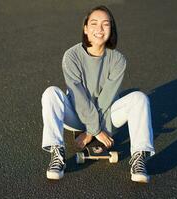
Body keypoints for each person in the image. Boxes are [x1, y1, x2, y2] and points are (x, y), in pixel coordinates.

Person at [41, 5, 155, 183]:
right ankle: (57, 153)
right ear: (85, 29)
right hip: (76, 115)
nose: (99, 29)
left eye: (105, 24)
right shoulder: (71, 56)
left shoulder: (118, 60)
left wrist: (92, 132)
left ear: (112, 29)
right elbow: (78, 97)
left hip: (107, 116)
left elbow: (106, 98)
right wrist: (94, 131)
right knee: (51, 93)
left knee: (139, 98)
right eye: (94, 23)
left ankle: (138, 158)